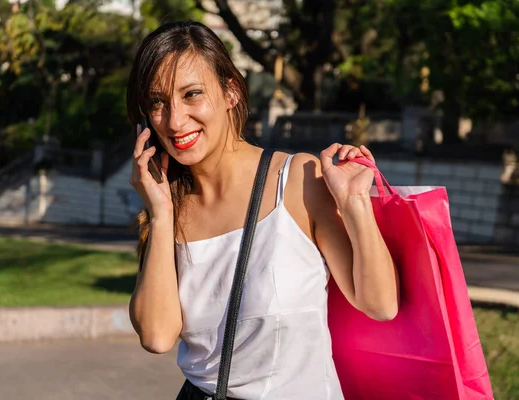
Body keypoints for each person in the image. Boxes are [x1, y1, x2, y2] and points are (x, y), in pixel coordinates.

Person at [126, 20, 399, 400]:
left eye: (192, 94)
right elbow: (157, 336)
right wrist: (159, 211)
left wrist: (354, 204)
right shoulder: (170, 206)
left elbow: (380, 304)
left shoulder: (298, 180)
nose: (174, 120)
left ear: (230, 92)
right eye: (158, 102)